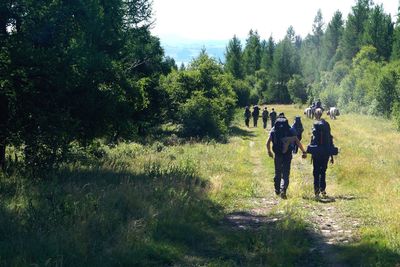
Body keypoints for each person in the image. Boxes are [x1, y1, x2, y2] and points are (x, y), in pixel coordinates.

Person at [266, 116, 307, 199]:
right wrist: (303, 151)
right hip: (287, 154)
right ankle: (283, 189)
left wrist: (269, 151)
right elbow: (297, 142)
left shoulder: (274, 130)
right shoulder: (290, 130)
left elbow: (268, 142)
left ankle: (277, 190)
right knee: (285, 173)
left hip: (277, 154)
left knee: (277, 172)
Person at [307, 108, 336, 199]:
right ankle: (323, 190)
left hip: (316, 152)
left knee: (316, 171)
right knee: (323, 171)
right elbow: (329, 140)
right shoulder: (327, 124)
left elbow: (312, 140)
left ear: (315, 114)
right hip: (326, 152)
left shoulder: (315, 125)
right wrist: (331, 155)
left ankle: (316, 192)